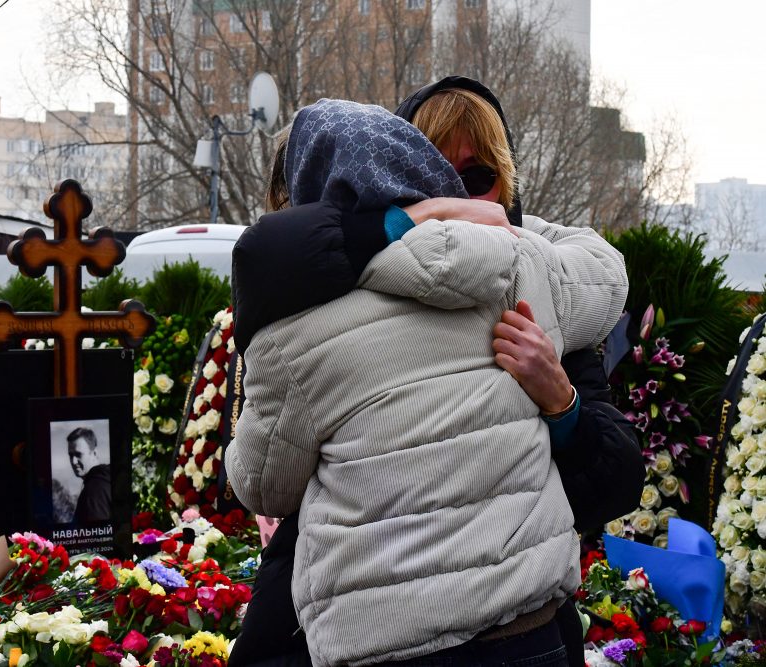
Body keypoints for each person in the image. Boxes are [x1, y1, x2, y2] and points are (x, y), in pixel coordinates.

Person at [228, 77, 644, 667]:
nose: (458, 195)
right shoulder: (531, 278)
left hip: (461, 631)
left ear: (509, 181)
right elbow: (606, 270)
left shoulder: (529, 295)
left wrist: (563, 404)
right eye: (436, 172)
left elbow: (617, 485)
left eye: (477, 179)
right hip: (494, 634)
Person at [66, 426, 111, 523]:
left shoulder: (94, 490)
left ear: (94, 453)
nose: (74, 462)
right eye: (70, 455)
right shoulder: (105, 480)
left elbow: (98, 534)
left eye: (78, 454)